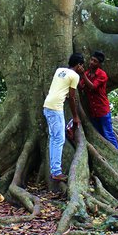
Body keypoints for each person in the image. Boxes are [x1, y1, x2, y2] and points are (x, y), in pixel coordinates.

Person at [43, 52, 85, 182]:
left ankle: (54, 169)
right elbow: (72, 97)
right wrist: (75, 116)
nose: (82, 68)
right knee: (58, 139)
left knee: (54, 138)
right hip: (55, 108)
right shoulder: (75, 76)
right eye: (82, 66)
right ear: (78, 65)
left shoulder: (60, 70)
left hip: (48, 105)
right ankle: (56, 172)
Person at [79, 50, 118, 148]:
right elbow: (81, 86)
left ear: (99, 64)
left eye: (95, 61)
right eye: (91, 60)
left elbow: (93, 86)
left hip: (102, 110)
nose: (91, 62)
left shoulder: (102, 75)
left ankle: (115, 152)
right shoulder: (88, 73)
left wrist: (83, 75)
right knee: (100, 136)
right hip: (93, 111)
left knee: (108, 135)